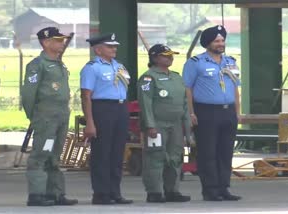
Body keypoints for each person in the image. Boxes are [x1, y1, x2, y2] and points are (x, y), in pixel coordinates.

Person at [182, 25, 242, 201]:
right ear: (208, 43)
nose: (220, 44)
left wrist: (237, 112)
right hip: (206, 111)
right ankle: (210, 190)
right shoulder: (196, 63)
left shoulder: (230, 62)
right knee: (208, 152)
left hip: (228, 111)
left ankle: (224, 188)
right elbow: (187, 89)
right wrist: (191, 113)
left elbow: (235, 89)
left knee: (225, 151)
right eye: (217, 41)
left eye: (222, 40)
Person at [21, 27, 78, 206]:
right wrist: (35, 117)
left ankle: (55, 193)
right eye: (58, 40)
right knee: (41, 154)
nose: (62, 43)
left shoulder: (59, 63)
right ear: (46, 42)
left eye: (62, 40)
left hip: (61, 115)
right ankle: (36, 195)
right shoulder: (38, 65)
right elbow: (29, 95)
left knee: (55, 155)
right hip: (46, 117)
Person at [80, 33, 133, 205]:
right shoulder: (92, 67)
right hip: (102, 108)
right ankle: (101, 193)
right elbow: (86, 96)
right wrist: (89, 122)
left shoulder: (119, 66)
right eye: (110, 46)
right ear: (98, 49)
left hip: (120, 108)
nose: (114, 49)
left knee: (117, 153)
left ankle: (115, 192)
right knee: (102, 153)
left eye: (115, 46)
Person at [137, 44, 191, 203]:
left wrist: (187, 126)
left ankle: (172, 190)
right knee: (156, 157)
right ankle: (154, 191)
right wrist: (150, 125)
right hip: (157, 125)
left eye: (171, 55)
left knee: (175, 157)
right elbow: (145, 103)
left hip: (175, 125)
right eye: (165, 55)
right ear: (155, 58)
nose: (170, 58)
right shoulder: (148, 77)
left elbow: (184, 103)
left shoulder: (176, 77)